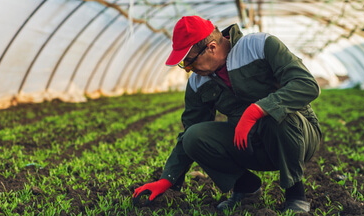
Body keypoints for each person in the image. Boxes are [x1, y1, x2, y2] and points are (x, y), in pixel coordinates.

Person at [131, 15, 322, 213]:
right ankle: (246, 187)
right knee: (193, 137)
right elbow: (189, 133)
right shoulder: (198, 82)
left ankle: (295, 195)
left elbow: (307, 85)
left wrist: (256, 111)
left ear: (212, 47)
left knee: (279, 116)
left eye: (190, 62)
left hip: (297, 137)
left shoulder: (259, 46)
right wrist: (166, 179)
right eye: (185, 65)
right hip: (250, 145)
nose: (189, 70)